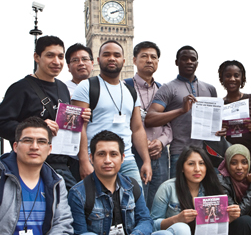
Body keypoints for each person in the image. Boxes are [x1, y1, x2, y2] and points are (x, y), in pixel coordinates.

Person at [0, 35, 90, 189]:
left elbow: (63, 125)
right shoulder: (20, 88)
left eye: (60, 56)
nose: (56, 61)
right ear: (37, 57)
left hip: (63, 164)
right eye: (50, 55)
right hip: (32, 165)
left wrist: (81, 118)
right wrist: (38, 129)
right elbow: (2, 124)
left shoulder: (62, 87)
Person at [151, 146, 251, 235]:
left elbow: (217, 228)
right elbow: (152, 225)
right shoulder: (168, 188)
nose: (197, 169)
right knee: (180, 228)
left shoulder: (212, 188)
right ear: (182, 168)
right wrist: (177, 219)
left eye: (201, 164)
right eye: (191, 164)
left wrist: (230, 217)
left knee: (244, 221)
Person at [72, 40, 151, 186]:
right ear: (98, 60)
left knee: (136, 204)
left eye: (116, 55)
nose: (112, 58)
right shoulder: (86, 86)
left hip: (126, 159)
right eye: (106, 54)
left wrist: (146, 160)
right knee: (99, 207)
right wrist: (84, 161)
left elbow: (138, 129)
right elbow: (78, 127)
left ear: (123, 60)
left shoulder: (130, 91)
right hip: (97, 159)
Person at [68, 130, 173, 235]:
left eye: (113, 154)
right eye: (101, 154)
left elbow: (145, 220)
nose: (107, 160)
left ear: (122, 158)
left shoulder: (131, 186)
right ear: (91, 158)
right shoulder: (78, 193)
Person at [146, 46, 217, 177]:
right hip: (179, 153)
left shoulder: (210, 89)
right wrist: (181, 110)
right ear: (176, 62)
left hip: (204, 153)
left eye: (193, 59)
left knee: (200, 196)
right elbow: (150, 118)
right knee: (178, 195)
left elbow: (215, 122)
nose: (189, 61)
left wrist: (220, 129)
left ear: (197, 63)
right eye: (184, 59)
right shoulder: (168, 88)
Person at [0, 117, 75, 235]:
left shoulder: (56, 181)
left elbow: (62, 224)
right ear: (15, 146)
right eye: (28, 140)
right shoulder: (2, 175)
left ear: (49, 149)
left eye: (41, 141)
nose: (34, 147)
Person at [125, 41, 172, 210]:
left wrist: (161, 142)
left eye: (154, 57)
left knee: (159, 200)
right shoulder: (124, 86)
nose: (149, 60)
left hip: (160, 153)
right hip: (133, 152)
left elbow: (169, 123)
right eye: (144, 56)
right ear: (134, 60)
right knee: (136, 199)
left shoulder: (164, 89)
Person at [217, 60, 251, 226]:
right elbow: (211, 138)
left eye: (236, 75)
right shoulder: (218, 105)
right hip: (228, 166)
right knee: (231, 209)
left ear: (242, 78)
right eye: (227, 75)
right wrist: (218, 132)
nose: (232, 79)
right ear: (221, 79)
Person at [217, 144, 251, 223]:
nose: (239, 167)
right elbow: (237, 214)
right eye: (234, 163)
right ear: (227, 164)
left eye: (244, 162)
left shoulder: (249, 180)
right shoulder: (221, 181)